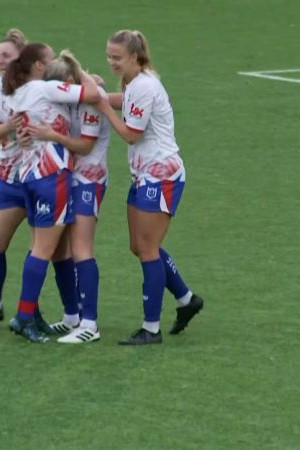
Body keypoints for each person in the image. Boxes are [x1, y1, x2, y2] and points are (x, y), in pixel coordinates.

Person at [95, 30, 204, 345]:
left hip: (161, 175)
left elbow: (132, 135)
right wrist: (99, 96)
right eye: (108, 56)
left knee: (147, 249)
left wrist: (102, 107)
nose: (111, 62)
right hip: (144, 175)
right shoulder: (134, 82)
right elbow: (124, 101)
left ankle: (151, 328)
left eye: (117, 57)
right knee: (139, 245)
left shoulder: (143, 86)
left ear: (134, 56)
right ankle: (186, 300)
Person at [0, 30, 80, 335]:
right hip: (10, 177)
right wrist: (12, 126)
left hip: (38, 174)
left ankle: (40, 313)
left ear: (22, 59)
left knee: (48, 249)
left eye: (6, 55)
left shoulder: (42, 86)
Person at [2, 43, 101, 342]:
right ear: (37, 66)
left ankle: (39, 314)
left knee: (41, 247)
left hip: (28, 176)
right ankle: (23, 317)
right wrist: (79, 69)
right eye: (48, 59)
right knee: (44, 250)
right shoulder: (46, 89)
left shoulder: (18, 93)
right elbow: (93, 94)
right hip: (51, 176)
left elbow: (15, 133)